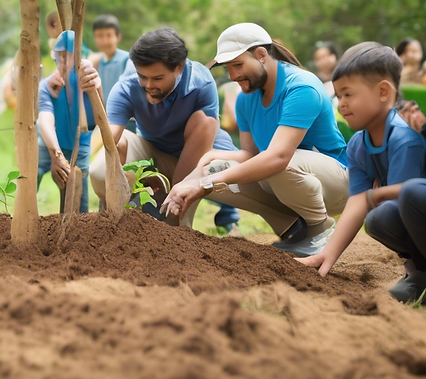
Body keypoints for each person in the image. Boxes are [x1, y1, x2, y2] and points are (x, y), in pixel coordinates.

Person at [162, 23, 349, 256]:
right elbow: (250, 155)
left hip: (334, 183)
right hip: (291, 180)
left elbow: (278, 157)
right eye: (228, 68)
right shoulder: (246, 100)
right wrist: (204, 166)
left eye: (238, 65)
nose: (232, 75)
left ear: (261, 55)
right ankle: (294, 229)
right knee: (213, 170)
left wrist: (204, 184)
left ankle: (320, 230)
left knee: (278, 163)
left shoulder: (301, 87)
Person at [296, 43, 426, 302]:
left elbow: (404, 193)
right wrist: (327, 254)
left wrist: (372, 197)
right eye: (338, 96)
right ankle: (419, 272)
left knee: (405, 196)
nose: (341, 104)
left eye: (348, 94)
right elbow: (358, 200)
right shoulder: (358, 144)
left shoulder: (405, 139)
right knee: (379, 219)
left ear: (382, 92)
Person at [90, 28, 240, 224]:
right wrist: (95, 91)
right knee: (100, 169)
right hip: (155, 154)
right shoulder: (126, 88)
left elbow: (204, 133)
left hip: (205, 159)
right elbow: (110, 138)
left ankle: (176, 224)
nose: (148, 85)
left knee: (204, 122)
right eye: (143, 76)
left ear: (178, 68)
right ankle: (128, 214)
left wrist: (173, 197)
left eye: (157, 78)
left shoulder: (200, 82)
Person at [38, 31, 100, 213]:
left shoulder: (87, 78)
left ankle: (79, 230)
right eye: (59, 56)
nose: (63, 61)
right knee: (29, 174)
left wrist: (96, 87)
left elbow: (101, 114)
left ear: (79, 56)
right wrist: (56, 156)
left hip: (80, 145)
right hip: (50, 143)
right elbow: (45, 121)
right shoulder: (47, 86)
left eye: (69, 56)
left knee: (78, 195)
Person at [88, 14, 133, 105]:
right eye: (100, 36)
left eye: (109, 35)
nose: (105, 41)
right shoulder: (98, 62)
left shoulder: (127, 60)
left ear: (118, 37)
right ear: (95, 38)